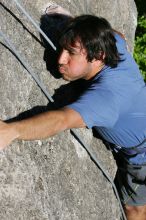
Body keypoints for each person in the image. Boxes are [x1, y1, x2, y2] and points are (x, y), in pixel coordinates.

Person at [0, 10, 146, 220]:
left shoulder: (106, 99)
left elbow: (61, 119)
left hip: (140, 156)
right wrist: (73, 22)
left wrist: (11, 130)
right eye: (62, 48)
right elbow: (118, 35)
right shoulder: (113, 43)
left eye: (71, 52)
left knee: (135, 209)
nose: (61, 59)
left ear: (98, 56)